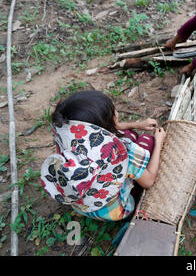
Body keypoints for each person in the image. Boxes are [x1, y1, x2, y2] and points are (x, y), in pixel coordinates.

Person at [40, 90, 166, 221]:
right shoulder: (122, 151)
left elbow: (110, 128)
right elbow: (149, 181)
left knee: (129, 133)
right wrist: (159, 142)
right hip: (116, 211)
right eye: (113, 111)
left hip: (82, 206)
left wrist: (137, 125)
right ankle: (132, 186)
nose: (116, 112)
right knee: (146, 140)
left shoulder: (66, 137)